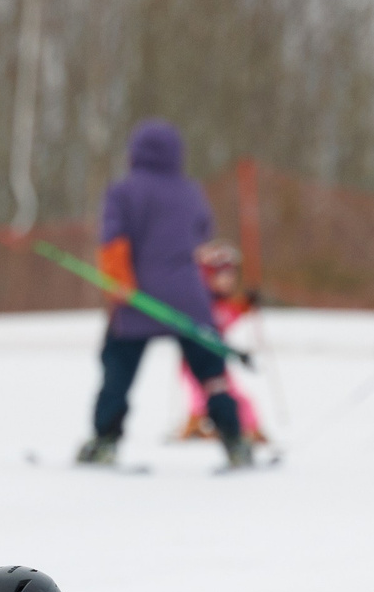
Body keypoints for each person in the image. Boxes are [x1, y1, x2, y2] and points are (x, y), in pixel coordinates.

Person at [82, 120, 254, 469]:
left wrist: (117, 283)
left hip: (137, 298)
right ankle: (236, 441)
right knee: (212, 372)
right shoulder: (191, 192)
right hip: (189, 298)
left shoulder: (124, 191)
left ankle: (105, 441)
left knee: (118, 371)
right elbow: (203, 234)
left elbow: (113, 243)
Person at [170, 241, 267, 446]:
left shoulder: (225, 305)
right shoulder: (202, 304)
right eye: (220, 278)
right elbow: (218, 318)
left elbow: (230, 315)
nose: (226, 283)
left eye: (230, 278)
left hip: (216, 360)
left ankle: (251, 428)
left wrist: (247, 305)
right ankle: (197, 424)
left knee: (235, 397)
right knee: (203, 394)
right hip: (194, 361)